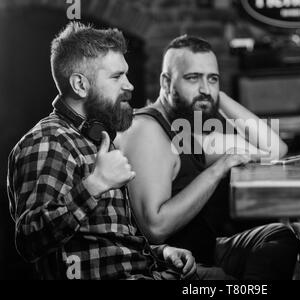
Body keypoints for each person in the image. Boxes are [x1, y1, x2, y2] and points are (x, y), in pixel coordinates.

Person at [6, 22, 196, 280]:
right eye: (117, 77)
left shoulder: (95, 138)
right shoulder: (49, 141)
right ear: (80, 85)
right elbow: (30, 240)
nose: (129, 86)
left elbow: (101, 243)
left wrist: (159, 253)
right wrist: (96, 184)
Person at [117, 35, 300, 280]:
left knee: (278, 237)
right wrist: (218, 168)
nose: (204, 88)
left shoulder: (184, 131)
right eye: (193, 78)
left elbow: (274, 148)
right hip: (170, 266)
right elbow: (155, 228)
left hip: (205, 249)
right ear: (166, 81)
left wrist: (214, 97)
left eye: (212, 78)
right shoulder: (146, 130)